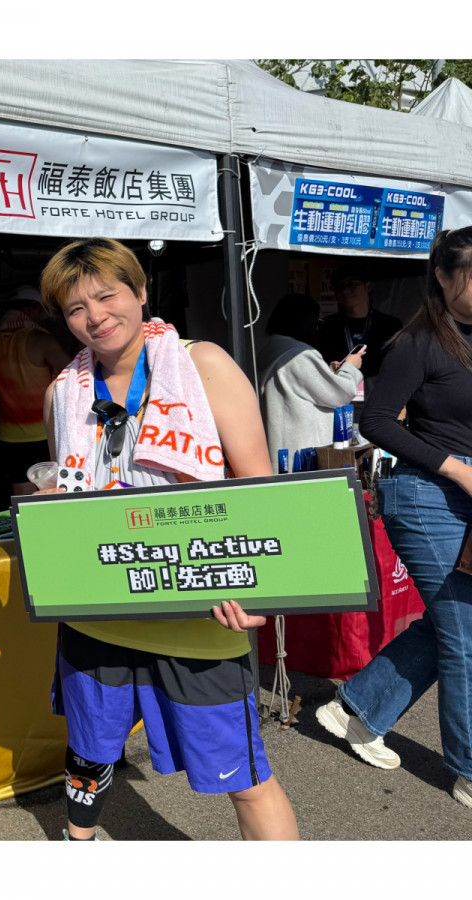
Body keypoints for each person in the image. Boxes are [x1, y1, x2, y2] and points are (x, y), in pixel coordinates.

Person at [39, 237, 299, 841]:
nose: (95, 316)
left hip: (199, 617)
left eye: (107, 296)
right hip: (98, 617)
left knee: (246, 779)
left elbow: (260, 490)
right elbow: (67, 497)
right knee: (88, 758)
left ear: (140, 292)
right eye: (76, 308)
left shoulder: (203, 365)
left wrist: (261, 590)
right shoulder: (63, 391)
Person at [315, 227, 472, 811]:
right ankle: (468, 770)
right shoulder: (419, 341)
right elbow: (376, 421)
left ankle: (357, 708)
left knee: (450, 624)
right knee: (465, 632)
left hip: (466, 493)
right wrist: (457, 469)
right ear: (443, 276)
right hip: (426, 494)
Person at [0, 287, 74, 508]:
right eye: (40, 311)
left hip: (8, 434)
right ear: (32, 307)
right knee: (54, 497)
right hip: (43, 433)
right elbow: (74, 374)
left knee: (21, 500)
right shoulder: (40, 339)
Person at [258, 292, 364, 465]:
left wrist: (327, 373)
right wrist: (350, 367)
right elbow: (340, 394)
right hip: (304, 454)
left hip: (283, 449)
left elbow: (305, 386)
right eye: (317, 322)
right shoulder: (299, 355)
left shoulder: (270, 350)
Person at [313, 259, 402, 390]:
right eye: (340, 286)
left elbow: (399, 367)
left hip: (380, 394)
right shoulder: (325, 326)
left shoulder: (390, 325)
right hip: (340, 394)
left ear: (368, 286)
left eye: (352, 284)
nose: (345, 290)